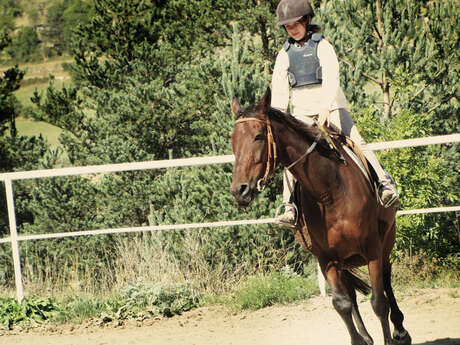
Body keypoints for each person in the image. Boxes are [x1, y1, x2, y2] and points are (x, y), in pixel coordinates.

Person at [272, 0, 399, 227]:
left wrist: (325, 108)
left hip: (331, 108)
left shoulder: (322, 46)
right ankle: (289, 205)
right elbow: (280, 93)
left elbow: (332, 78)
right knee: (291, 155)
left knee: (356, 140)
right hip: (301, 114)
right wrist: (279, 121)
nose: (292, 28)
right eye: (288, 26)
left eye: (296, 23)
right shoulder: (284, 54)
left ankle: (383, 183)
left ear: (306, 20)